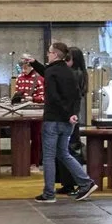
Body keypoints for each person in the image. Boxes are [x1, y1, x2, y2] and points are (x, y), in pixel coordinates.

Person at [34, 41, 96, 203]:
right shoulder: (69, 71)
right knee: (63, 153)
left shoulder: (52, 72)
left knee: (48, 157)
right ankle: (86, 182)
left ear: (55, 54)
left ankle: (49, 193)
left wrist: (67, 113)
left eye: (49, 52)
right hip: (68, 122)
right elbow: (77, 95)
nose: (47, 54)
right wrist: (72, 114)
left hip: (53, 120)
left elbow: (53, 97)